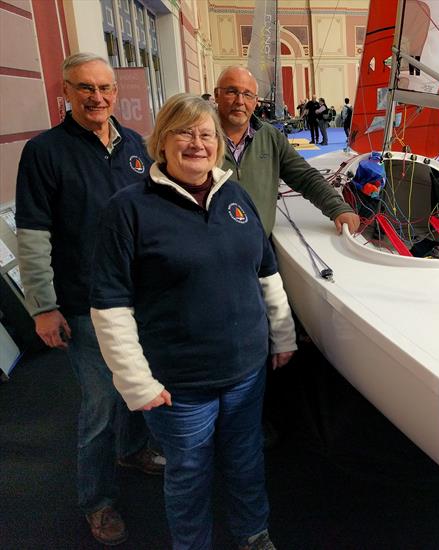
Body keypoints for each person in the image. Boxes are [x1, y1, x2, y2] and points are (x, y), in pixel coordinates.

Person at [89, 93, 296, 550]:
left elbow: (265, 271)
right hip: (179, 385)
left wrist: (283, 335)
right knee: (189, 473)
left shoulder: (235, 196)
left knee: (245, 460)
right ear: (162, 141)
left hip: (245, 371)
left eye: (206, 134)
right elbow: (110, 306)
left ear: (218, 146)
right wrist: (136, 383)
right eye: (184, 132)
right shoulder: (129, 210)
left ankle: (253, 533)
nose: (197, 143)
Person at [15, 52, 163, 546]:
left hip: (137, 299)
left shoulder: (137, 147)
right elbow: (33, 234)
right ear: (66, 91)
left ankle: (134, 450)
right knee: (99, 407)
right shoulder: (45, 152)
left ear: (115, 92)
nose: (97, 98)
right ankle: (96, 501)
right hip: (83, 302)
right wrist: (43, 306)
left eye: (104, 88)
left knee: (137, 384)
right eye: (85, 89)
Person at [213, 67, 359, 236]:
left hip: (259, 249)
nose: (240, 101)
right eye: (232, 91)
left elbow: (304, 176)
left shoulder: (270, 137)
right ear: (217, 95)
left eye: (247, 95)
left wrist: (337, 207)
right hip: (212, 251)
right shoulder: (199, 137)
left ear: (255, 101)